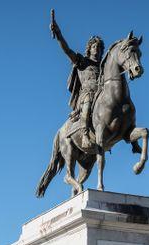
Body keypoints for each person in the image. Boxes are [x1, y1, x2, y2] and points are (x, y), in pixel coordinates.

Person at [50, 11, 105, 147]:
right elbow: (67, 50)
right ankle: (85, 135)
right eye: (94, 47)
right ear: (89, 49)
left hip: (102, 94)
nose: (96, 49)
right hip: (86, 94)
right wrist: (59, 34)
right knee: (87, 101)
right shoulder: (82, 61)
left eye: (99, 47)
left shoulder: (103, 66)